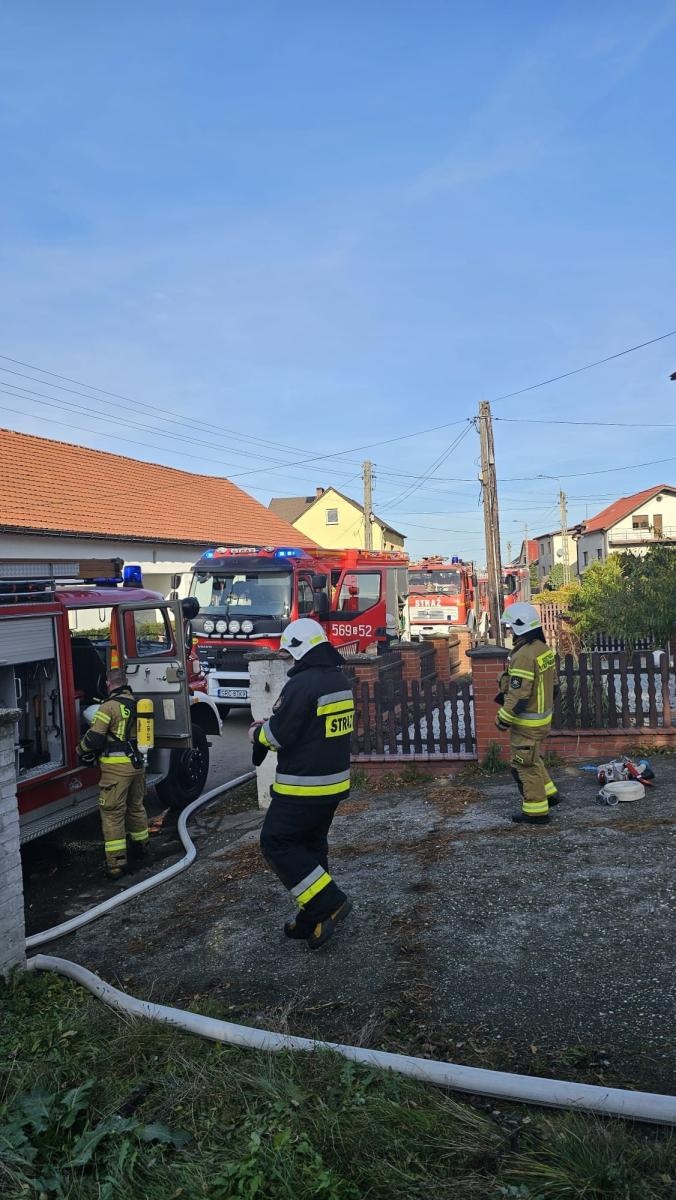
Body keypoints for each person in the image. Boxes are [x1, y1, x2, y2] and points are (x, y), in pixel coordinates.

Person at [250, 617, 354, 950]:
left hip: (302, 787)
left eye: (290, 655)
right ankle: (313, 919)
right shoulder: (338, 680)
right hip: (332, 786)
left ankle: (328, 902)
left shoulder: (302, 684)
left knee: (276, 842)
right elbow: (313, 728)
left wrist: (257, 732)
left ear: (299, 650)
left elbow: (278, 735)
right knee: (310, 848)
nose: (291, 662)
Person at [78, 668, 150, 878]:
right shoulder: (139, 704)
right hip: (138, 765)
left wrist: (79, 750)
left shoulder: (108, 707)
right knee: (136, 807)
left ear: (109, 684)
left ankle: (117, 863)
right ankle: (142, 847)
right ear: (125, 682)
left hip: (116, 769)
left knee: (112, 813)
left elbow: (94, 739)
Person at [495, 603, 561, 825]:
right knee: (534, 758)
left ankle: (536, 811)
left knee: (524, 765)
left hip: (527, 723)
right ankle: (550, 795)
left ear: (520, 626)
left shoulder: (524, 655)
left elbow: (518, 695)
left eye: (511, 627)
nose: (510, 631)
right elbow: (554, 687)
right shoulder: (543, 649)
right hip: (541, 719)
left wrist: (502, 719)